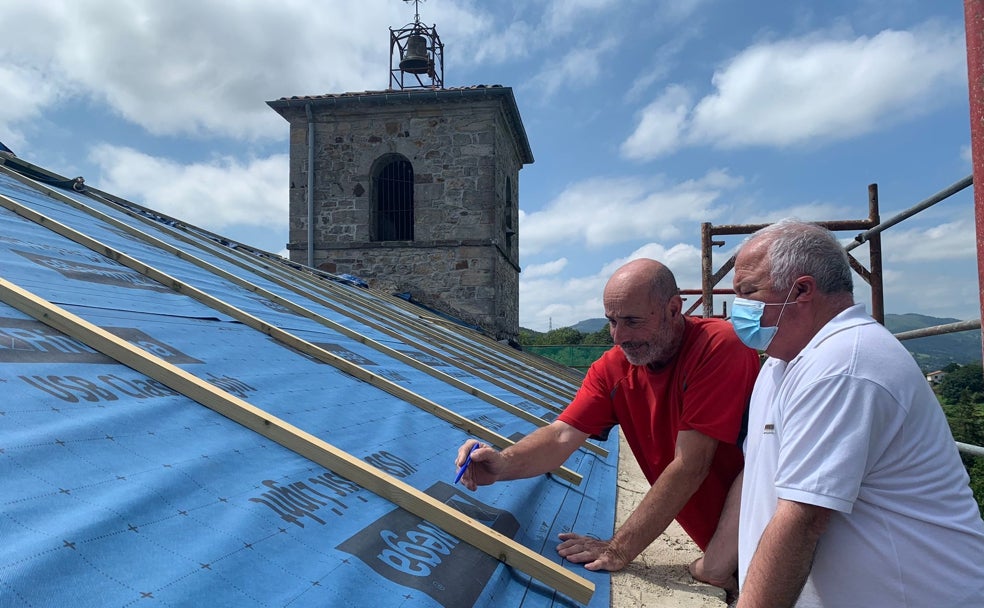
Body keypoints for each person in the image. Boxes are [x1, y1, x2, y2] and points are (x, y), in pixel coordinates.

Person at [455, 258, 759, 596]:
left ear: (674, 309)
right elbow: (561, 435)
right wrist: (502, 465)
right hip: (723, 548)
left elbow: (691, 464)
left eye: (632, 321)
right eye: (612, 321)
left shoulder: (719, 346)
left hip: (768, 541)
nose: (619, 337)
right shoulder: (613, 369)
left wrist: (618, 548)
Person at [731, 219, 984, 607]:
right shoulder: (781, 363)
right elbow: (760, 478)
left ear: (801, 290)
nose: (739, 309)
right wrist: (717, 564)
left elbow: (804, 520)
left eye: (748, 292)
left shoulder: (843, 363)